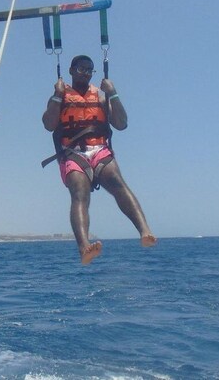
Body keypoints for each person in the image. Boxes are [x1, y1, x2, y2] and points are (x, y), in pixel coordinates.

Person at [42, 55, 156, 264]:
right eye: (81, 69)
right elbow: (49, 124)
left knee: (116, 181)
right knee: (79, 192)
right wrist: (57, 95)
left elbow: (121, 124)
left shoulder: (101, 98)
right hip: (72, 152)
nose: (85, 73)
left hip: (100, 149)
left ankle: (144, 230)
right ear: (71, 70)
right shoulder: (61, 95)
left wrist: (113, 93)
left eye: (89, 70)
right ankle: (84, 246)